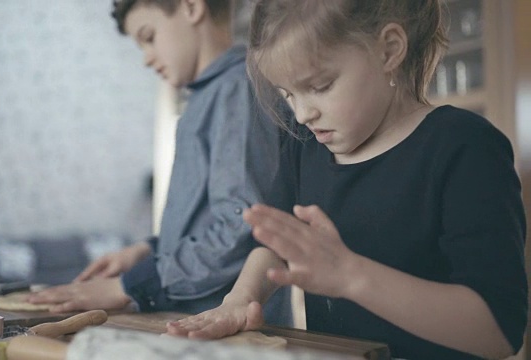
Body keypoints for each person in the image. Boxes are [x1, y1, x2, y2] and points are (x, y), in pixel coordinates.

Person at [165, 1, 528, 359]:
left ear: (389, 50)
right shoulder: (305, 146)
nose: (303, 113)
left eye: (320, 85)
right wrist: (240, 300)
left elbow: (498, 330)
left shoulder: (464, 146)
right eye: (288, 94)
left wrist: (352, 276)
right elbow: (277, 243)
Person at [27, 0, 293, 327]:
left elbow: (242, 228)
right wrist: (145, 251)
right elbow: (208, 219)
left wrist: (131, 285)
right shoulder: (203, 100)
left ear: (192, 7)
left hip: (226, 329)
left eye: (149, 36)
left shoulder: (236, 89)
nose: (147, 58)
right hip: (190, 323)